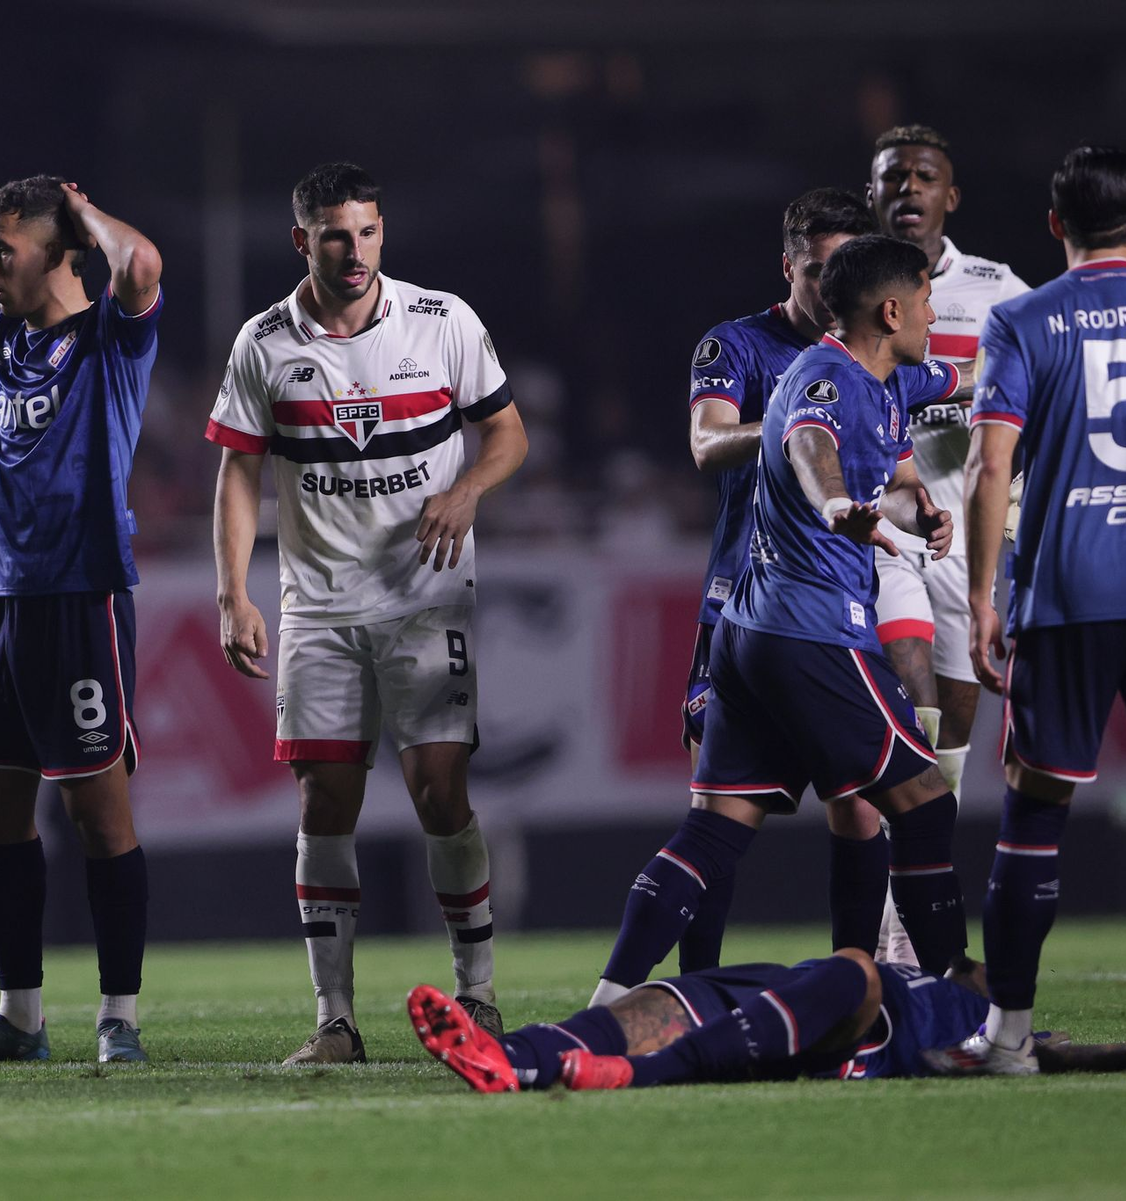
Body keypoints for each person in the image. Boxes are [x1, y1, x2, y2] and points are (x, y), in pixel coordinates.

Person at [590, 235, 974, 1009]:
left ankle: (605, 1004)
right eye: (929, 302)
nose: (937, 316)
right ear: (891, 309)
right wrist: (834, 501)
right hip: (814, 628)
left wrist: (920, 506)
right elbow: (808, 444)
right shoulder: (826, 377)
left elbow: (956, 382)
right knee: (925, 799)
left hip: (751, 633)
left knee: (715, 827)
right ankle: (945, 1001)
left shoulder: (890, 372)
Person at [207, 163, 527, 1064]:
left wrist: (466, 490)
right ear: (302, 240)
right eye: (336, 236)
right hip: (318, 608)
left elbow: (508, 432)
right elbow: (236, 471)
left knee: (439, 791)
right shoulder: (264, 343)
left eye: (369, 232)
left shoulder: (442, 321)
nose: (356, 252)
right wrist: (234, 590)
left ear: (384, 231)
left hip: (426, 601)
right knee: (326, 802)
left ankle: (480, 995)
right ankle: (335, 1021)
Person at [961, 146, 1126, 1076]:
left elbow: (992, 467)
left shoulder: (1021, 320)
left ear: (1054, 224)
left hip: (1070, 590)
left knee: (1035, 813)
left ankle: (1011, 1037)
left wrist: (982, 596)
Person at [667, 190, 884, 990]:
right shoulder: (737, 346)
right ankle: (695, 991)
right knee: (714, 815)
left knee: (860, 805)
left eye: (846, 269)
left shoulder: (871, 352)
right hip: (742, 603)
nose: (833, 287)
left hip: (839, 604)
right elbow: (705, 445)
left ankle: (857, 986)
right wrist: (804, 414)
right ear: (787, 266)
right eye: (819, 270)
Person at [0, 176, 163, 1063]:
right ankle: (20, 1016)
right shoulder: (10, 355)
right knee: (4, 817)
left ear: (58, 251)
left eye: (5, 249)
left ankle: (119, 1017)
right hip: (7, 599)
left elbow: (139, 260)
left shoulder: (108, 339)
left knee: (99, 817)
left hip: (80, 593)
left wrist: (79, 206)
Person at [867, 125, 1031, 964]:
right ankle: (888, 922)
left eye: (924, 176)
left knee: (952, 734)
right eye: (893, 176)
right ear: (873, 195)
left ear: (949, 196)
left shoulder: (999, 290)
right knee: (910, 707)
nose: (909, 188)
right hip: (885, 529)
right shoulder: (850, 286)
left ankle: (906, 918)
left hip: (972, 535)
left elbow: (1041, 382)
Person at [409, 952, 1126, 1092]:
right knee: (655, 1004)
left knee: (852, 971)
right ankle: (505, 1058)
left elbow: (1051, 1054)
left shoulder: (994, 1022)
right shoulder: (946, 971)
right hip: (782, 991)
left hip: (858, 1027)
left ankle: (631, 1077)